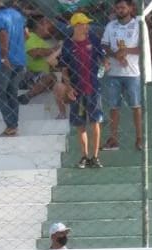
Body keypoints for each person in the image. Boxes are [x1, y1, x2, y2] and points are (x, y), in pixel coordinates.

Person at [59, 12, 106, 167]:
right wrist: (68, 87)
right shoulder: (67, 44)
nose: (86, 26)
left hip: (93, 88)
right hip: (77, 91)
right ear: (76, 26)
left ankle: (95, 156)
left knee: (95, 122)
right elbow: (64, 68)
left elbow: (102, 57)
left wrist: (105, 64)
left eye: (87, 23)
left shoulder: (93, 39)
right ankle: (84, 156)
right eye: (83, 23)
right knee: (80, 125)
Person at [101, 0, 143, 151]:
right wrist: (116, 55)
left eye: (123, 7)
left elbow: (144, 48)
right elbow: (104, 45)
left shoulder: (138, 25)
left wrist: (126, 51)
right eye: (117, 8)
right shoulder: (111, 25)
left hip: (132, 73)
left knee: (136, 106)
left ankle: (139, 139)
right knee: (114, 107)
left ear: (130, 8)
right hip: (114, 73)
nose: (120, 10)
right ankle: (113, 139)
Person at [0, 0, 27, 137]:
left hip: (6, 61)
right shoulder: (17, 14)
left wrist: (4, 56)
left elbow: (3, 34)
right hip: (20, 60)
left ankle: (11, 124)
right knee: (11, 92)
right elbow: (26, 34)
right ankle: (12, 126)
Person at [19, 14, 66, 117]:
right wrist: (58, 48)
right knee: (52, 77)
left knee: (55, 80)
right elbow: (35, 53)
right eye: (48, 24)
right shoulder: (29, 36)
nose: (51, 27)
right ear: (41, 25)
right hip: (30, 74)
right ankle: (27, 96)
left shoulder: (41, 41)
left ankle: (62, 113)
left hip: (41, 76)